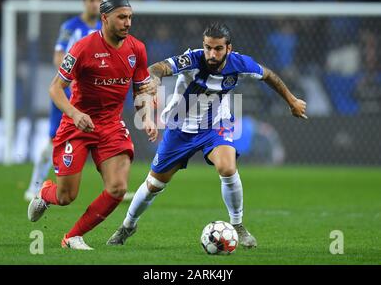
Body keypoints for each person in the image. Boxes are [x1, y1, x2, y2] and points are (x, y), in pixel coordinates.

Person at [107, 23, 307, 248]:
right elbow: (158, 68)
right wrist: (154, 79)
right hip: (180, 128)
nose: (212, 54)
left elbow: (268, 75)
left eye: (218, 49)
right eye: (208, 47)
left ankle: (238, 225)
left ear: (228, 49)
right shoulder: (192, 59)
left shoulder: (240, 63)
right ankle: (128, 225)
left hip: (215, 126)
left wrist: (292, 101)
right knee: (154, 184)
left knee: (227, 168)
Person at [28, 0, 157, 250]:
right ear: (105, 18)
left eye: (130, 17)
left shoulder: (137, 49)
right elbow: (55, 88)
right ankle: (45, 192)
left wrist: (148, 117)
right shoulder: (83, 47)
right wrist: (75, 114)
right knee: (66, 196)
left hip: (110, 126)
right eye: (121, 17)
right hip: (76, 125)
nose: (127, 22)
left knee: (118, 188)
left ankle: (73, 236)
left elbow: (142, 88)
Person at [24, 0, 104, 201]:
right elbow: (58, 57)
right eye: (92, 0)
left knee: (102, 137)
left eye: (99, 0)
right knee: (53, 140)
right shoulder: (71, 27)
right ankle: (35, 186)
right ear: (84, 2)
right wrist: (72, 77)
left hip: (92, 97)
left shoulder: (104, 28)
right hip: (68, 94)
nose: (96, 4)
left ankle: (114, 186)